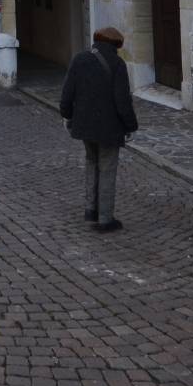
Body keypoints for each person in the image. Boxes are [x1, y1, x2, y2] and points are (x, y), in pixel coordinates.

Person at [59, 25, 138, 233]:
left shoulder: (79, 59)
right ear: (115, 45)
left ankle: (90, 209)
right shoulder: (117, 63)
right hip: (109, 127)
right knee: (107, 168)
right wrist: (131, 125)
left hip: (84, 125)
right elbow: (122, 101)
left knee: (91, 163)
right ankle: (105, 218)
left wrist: (67, 115)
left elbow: (67, 93)